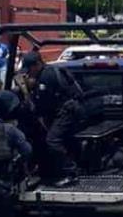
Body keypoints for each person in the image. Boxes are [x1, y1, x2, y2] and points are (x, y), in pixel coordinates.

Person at [21, 50, 84, 185]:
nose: (28, 73)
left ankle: (70, 173)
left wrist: (31, 93)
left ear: (37, 64)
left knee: (53, 141)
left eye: (30, 69)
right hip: (62, 111)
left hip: (67, 111)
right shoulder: (47, 73)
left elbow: (43, 103)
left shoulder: (46, 76)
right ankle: (49, 170)